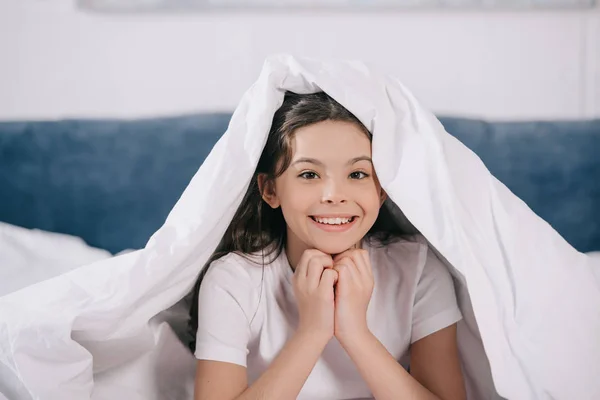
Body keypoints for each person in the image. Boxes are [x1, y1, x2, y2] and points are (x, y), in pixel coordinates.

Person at [188, 91, 466, 400]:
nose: (334, 194)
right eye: (309, 174)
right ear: (270, 190)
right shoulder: (233, 281)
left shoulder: (418, 270)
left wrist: (354, 333)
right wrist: (313, 332)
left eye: (357, 174)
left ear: (382, 189)